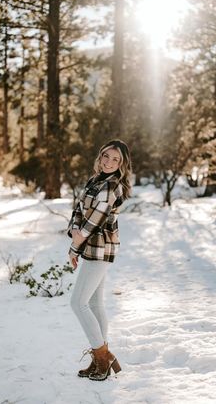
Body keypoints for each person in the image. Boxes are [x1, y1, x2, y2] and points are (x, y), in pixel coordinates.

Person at [67, 139, 132, 381]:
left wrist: (75, 246)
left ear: (122, 165)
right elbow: (79, 211)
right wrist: (75, 231)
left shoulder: (111, 185)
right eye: (106, 156)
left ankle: (103, 358)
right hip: (91, 247)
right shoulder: (95, 180)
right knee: (94, 304)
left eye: (116, 160)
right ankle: (100, 361)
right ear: (100, 155)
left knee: (78, 303)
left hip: (100, 248)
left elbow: (93, 222)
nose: (109, 162)